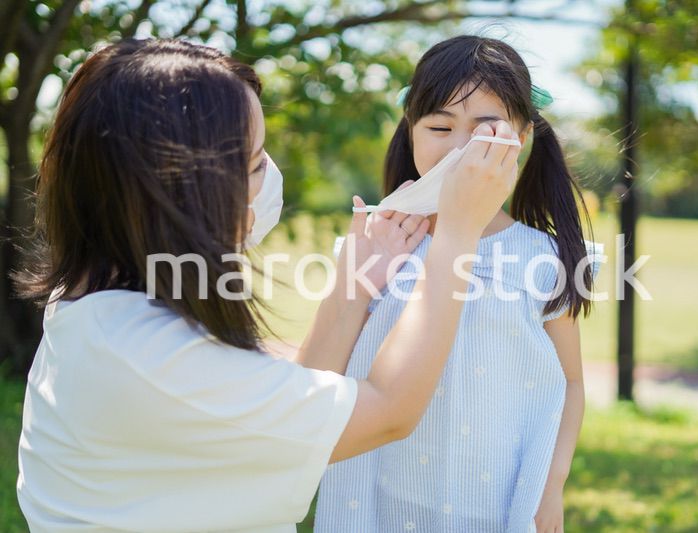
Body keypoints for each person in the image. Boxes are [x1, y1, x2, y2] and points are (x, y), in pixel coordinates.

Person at [14, 38, 521, 532]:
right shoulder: (149, 359)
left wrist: (355, 284)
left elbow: (287, 413)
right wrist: (458, 233)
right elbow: (387, 410)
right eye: (256, 162)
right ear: (186, 192)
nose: (268, 177)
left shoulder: (106, 308)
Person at [316, 35, 603, 533]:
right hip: (376, 494)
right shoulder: (378, 242)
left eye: (486, 128)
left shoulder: (543, 258)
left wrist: (551, 484)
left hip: (492, 499)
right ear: (411, 131)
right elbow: (324, 372)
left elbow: (571, 381)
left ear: (523, 134)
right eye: (440, 126)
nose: (460, 146)